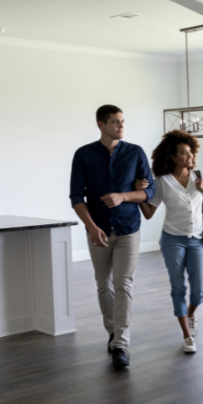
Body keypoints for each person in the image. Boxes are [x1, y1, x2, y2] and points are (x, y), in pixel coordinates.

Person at [69, 105, 154, 369]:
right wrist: (92, 227)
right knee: (103, 284)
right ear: (101, 124)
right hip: (98, 231)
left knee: (123, 284)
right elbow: (76, 197)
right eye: (115, 122)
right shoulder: (83, 155)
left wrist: (124, 196)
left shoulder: (135, 152)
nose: (121, 126)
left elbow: (148, 193)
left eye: (122, 121)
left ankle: (121, 344)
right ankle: (113, 332)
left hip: (129, 228)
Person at [134, 130, 203, 354]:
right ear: (172, 156)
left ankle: (190, 315)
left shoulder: (200, 175)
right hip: (172, 240)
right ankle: (187, 336)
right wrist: (137, 193)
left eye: (190, 152)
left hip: (197, 240)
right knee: (178, 287)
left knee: (199, 290)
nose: (189, 156)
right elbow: (149, 212)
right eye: (183, 153)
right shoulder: (162, 181)